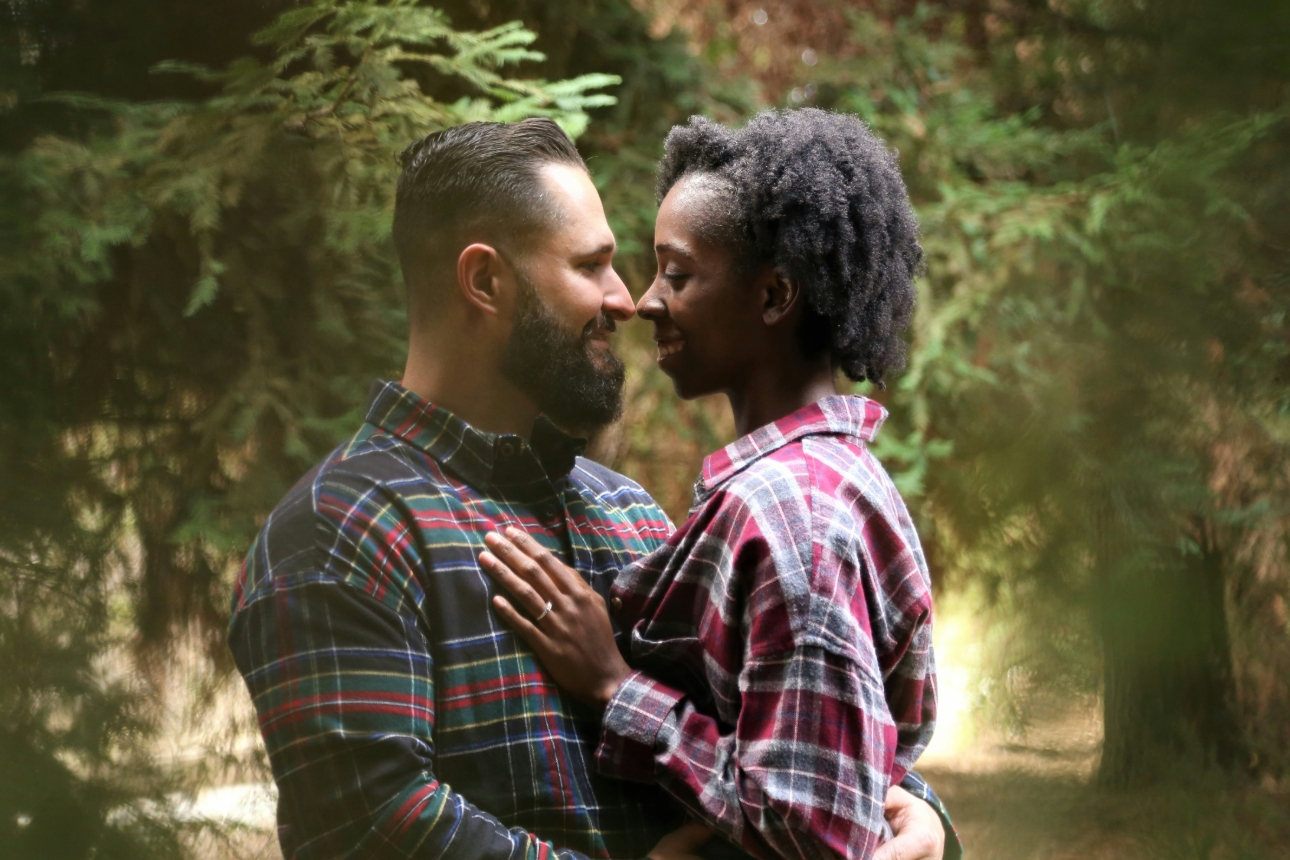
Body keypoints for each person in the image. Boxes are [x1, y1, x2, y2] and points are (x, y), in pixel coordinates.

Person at [228, 117, 953, 860]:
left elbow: (789, 731)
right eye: (592, 266)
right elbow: (370, 826)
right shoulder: (338, 531)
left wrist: (919, 818)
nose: (625, 300)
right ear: (485, 282)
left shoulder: (625, 513)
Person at [479, 110, 955, 860]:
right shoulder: (825, 483)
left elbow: (813, 829)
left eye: (678, 274)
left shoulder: (793, 515)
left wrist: (615, 685)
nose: (644, 301)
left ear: (773, 297)